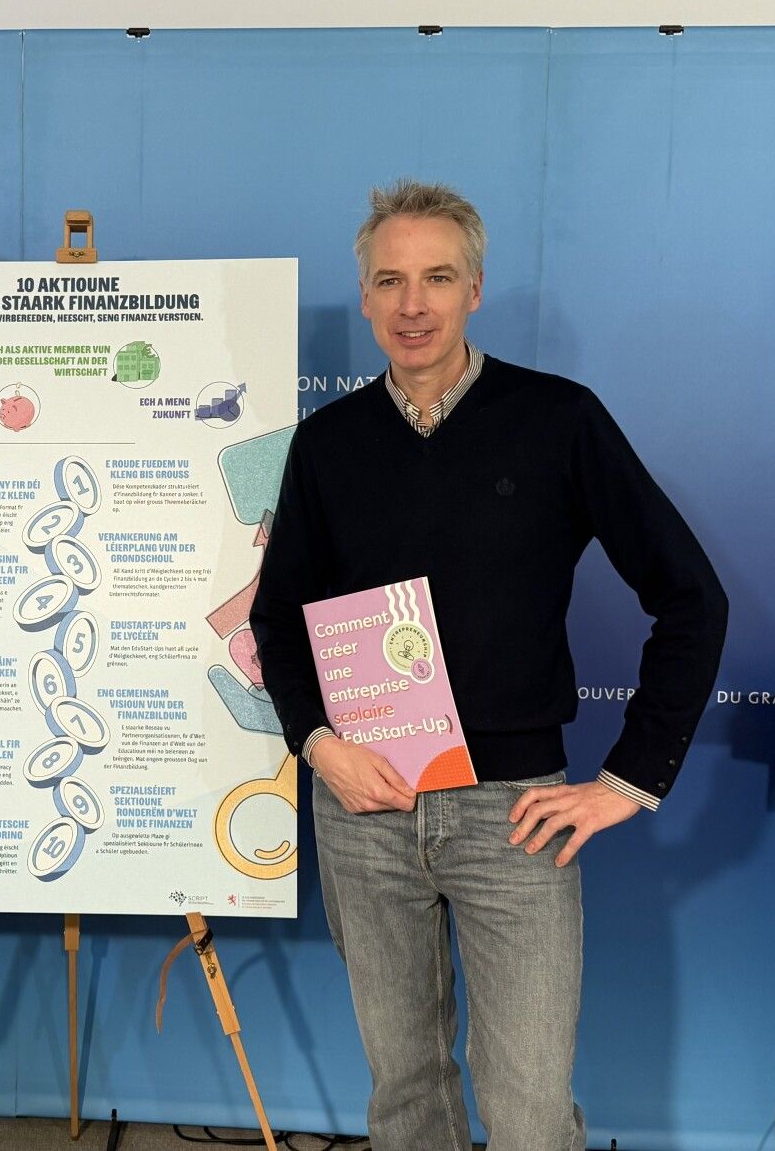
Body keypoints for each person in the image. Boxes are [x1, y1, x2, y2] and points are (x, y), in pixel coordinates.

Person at [250, 180, 727, 1151]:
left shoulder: (558, 420)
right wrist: (318, 746)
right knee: (405, 1098)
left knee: (528, 1111)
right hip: (365, 809)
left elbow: (692, 597)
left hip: (513, 814)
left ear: (474, 289)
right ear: (365, 295)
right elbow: (277, 617)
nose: (412, 304)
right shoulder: (328, 443)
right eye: (390, 280)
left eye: (436, 278)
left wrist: (629, 780)